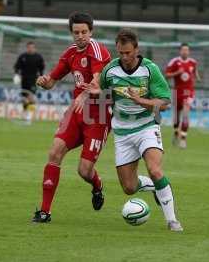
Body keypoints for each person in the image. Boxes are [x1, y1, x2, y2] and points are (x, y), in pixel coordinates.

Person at [82, 29, 183, 232]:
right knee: (129, 187)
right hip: (123, 132)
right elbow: (102, 93)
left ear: (137, 49)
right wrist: (97, 93)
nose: (125, 57)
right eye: (121, 53)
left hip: (147, 126)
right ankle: (156, 187)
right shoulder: (110, 71)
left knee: (155, 170)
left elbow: (164, 103)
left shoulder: (149, 70)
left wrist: (140, 101)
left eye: (128, 52)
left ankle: (172, 221)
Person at [32, 12, 111, 223]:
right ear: (71, 33)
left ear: (91, 31)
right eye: (76, 32)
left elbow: (96, 82)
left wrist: (85, 94)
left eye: (84, 32)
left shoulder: (98, 50)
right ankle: (45, 212)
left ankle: (97, 185)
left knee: (84, 170)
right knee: (54, 152)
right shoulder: (70, 53)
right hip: (76, 112)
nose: (80, 36)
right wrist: (44, 80)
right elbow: (52, 81)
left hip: (99, 113)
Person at [165, 43, 200, 149]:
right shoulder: (174, 62)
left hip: (188, 92)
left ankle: (183, 139)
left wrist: (197, 77)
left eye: (187, 50)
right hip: (177, 92)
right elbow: (166, 75)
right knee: (176, 117)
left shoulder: (193, 62)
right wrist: (177, 73)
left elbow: (195, 72)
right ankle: (176, 132)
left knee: (185, 113)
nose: (185, 52)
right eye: (183, 50)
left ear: (189, 51)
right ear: (180, 51)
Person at [14, 41, 45, 124]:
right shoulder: (23, 56)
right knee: (24, 99)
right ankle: (25, 114)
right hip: (24, 80)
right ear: (27, 48)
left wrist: (41, 78)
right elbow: (17, 66)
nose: (30, 49)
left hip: (33, 80)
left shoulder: (38, 57)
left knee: (31, 97)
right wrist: (17, 75)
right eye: (29, 47)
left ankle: (29, 116)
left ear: (34, 48)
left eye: (32, 47)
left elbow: (41, 69)